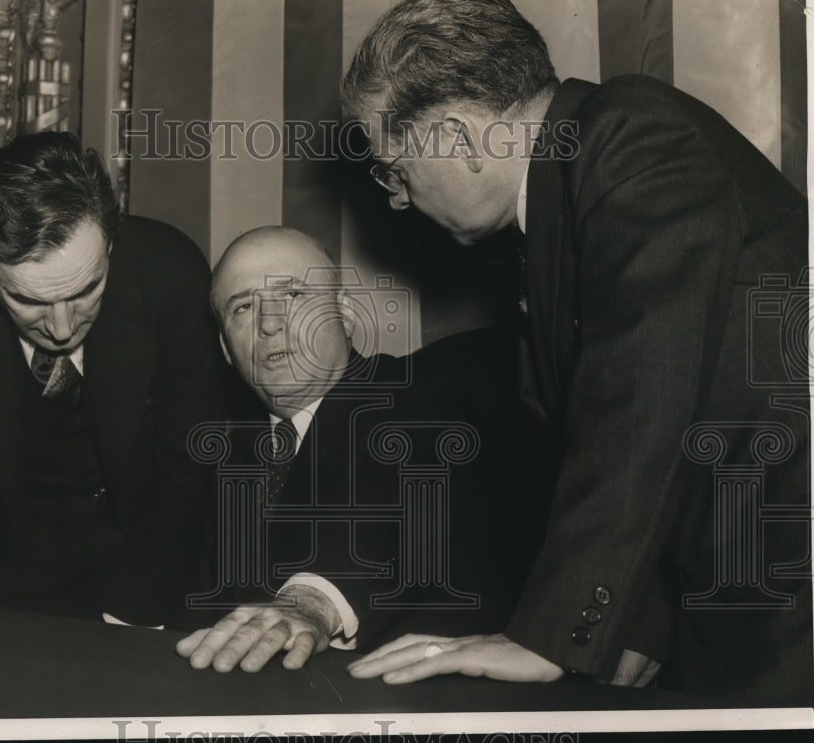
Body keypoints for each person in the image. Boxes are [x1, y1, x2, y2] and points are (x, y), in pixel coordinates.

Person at [339, 0, 812, 701]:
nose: (398, 199)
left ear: (457, 138)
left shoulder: (629, 131)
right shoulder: (569, 190)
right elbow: (680, 413)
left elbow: (641, 392)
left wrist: (548, 633)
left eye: (395, 170)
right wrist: (637, 629)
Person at [0, 131, 225, 625]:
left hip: (153, 557)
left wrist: (136, 613)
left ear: (110, 244)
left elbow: (190, 464)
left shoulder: (170, 272)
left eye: (86, 290)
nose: (63, 328)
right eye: (29, 300)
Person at [176, 226, 551, 673]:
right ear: (225, 347)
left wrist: (313, 601)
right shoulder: (229, 462)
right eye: (243, 307)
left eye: (293, 295)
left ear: (345, 313)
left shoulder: (427, 392)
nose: (269, 323)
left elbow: (390, 487)